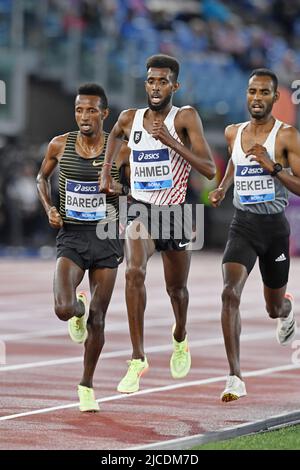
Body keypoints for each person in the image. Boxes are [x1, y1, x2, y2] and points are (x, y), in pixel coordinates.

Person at [100, 54, 216, 393]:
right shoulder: (129, 117)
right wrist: (107, 171)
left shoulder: (185, 117)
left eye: (162, 81)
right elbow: (116, 135)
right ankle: (137, 358)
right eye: (151, 80)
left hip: (177, 213)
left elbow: (209, 169)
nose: (155, 87)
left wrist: (169, 141)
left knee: (176, 290)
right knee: (134, 271)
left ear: (174, 86)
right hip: (141, 210)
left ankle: (180, 336)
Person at [208, 68, 300, 402]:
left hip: (274, 229)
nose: (256, 98)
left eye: (264, 93)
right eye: (252, 92)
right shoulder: (234, 132)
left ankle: (286, 311)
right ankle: (234, 376)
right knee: (229, 293)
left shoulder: (287, 136)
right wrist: (221, 187)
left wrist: (273, 167)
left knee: (272, 308)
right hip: (243, 225)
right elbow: (234, 162)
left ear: (275, 98)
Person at [37, 83, 129, 412]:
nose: (84, 116)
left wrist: (116, 188)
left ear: (104, 114)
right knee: (62, 309)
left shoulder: (120, 150)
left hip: (106, 237)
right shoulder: (60, 145)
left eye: (91, 110)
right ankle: (78, 308)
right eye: (79, 110)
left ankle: (87, 384)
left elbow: (133, 190)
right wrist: (49, 207)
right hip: (72, 237)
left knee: (99, 320)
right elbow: (40, 178)